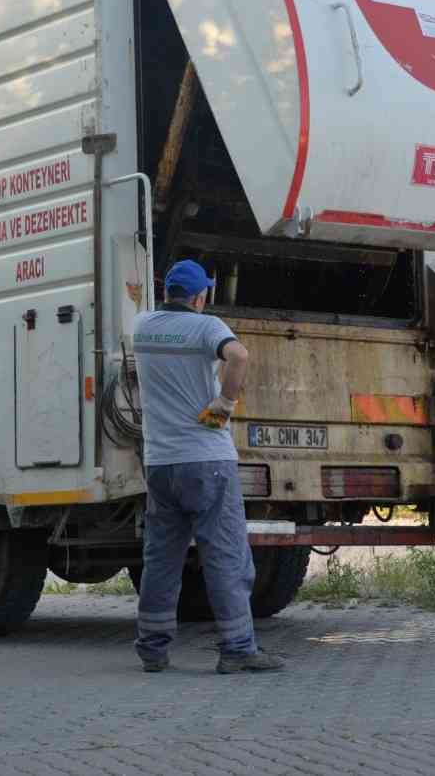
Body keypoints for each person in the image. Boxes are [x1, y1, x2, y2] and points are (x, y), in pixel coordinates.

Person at [130, 258, 285, 674]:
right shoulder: (207, 326)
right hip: (207, 459)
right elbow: (239, 355)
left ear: (168, 292)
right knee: (226, 555)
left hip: (160, 464)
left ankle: (152, 647)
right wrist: (224, 404)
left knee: (161, 557)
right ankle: (237, 648)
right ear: (200, 296)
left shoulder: (142, 326)